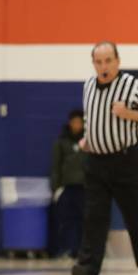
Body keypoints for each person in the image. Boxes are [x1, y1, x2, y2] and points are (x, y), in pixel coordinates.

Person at [71, 41, 138, 275]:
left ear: (117, 61)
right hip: (96, 162)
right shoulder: (88, 85)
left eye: (108, 60)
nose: (104, 66)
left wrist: (128, 113)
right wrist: (89, 138)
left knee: (133, 217)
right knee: (94, 219)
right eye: (99, 62)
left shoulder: (132, 86)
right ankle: (89, 273)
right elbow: (92, 118)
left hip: (125, 161)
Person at [49, 109, 86, 258]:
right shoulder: (61, 142)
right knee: (65, 220)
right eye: (74, 122)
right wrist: (56, 188)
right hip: (67, 188)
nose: (76, 125)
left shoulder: (89, 141)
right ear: (70, 123)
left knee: (84, 220)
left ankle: (81, 250)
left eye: (79, 122)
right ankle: (64, 249)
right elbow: (56, 166)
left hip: (84, 188)